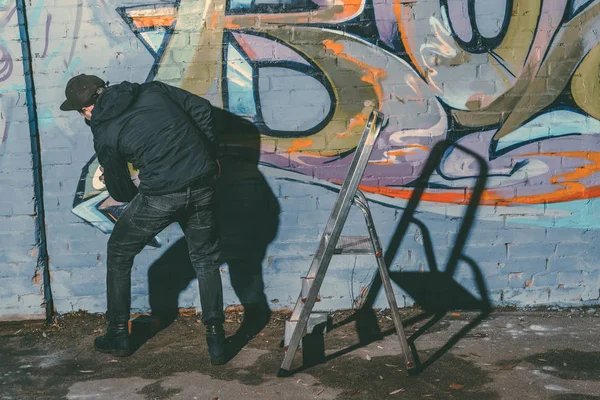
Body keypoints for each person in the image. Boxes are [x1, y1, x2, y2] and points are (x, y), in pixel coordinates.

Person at [60, 74, 228, 365]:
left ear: (86, 110)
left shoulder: (104, 131)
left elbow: (121, 192)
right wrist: (208, 155)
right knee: (205, 259)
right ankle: (216, 339)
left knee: (119, 251)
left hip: (162, 195)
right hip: (203, 183)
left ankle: (117, 334)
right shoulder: (150, 89)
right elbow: (201, 109)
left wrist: (120, 169)